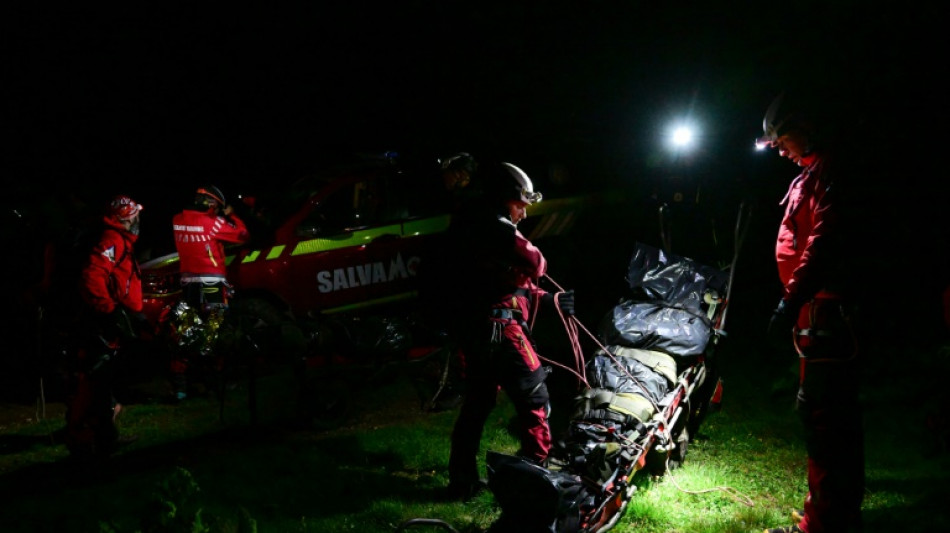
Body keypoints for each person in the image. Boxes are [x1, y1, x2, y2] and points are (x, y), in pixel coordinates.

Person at [757, 90, 864, 533]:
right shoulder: (810, 174)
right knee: (820, 416)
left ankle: (826, 523)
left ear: (807, 127)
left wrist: (791, 301)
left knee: (826, 418)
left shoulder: (833, 174)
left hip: (828, 317)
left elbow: (822, 246)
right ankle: (825, 515)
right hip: (813, 317)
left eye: (783, 138)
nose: (779, 148)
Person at [443, 161, 575, 500]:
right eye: (521, 205)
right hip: (502, 332)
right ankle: (533, 480)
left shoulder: (467, 223)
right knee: (536, 400)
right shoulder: (498, 227)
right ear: (506, 199)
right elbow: (536, 264)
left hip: (475, 330)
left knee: (477, 403)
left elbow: (497, 280)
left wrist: (545, 299)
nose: (524, 214)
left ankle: (462, 480)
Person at [64, 194, 147, 461]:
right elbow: (92, 276)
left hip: (110, 320)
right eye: (135, 216)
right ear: (125, 218)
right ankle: (88, 441)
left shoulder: (118, 239)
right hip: (102, 322)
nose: (138, 220)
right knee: (95, 380)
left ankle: (103, 437)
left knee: (102, 381)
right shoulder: (111, 240)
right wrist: (109, 311)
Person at [169, 185, 249, 401]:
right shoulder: (215, 224)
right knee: (216, 329)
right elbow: (242, 235)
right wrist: (232, 214)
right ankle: (217, 383)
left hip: (188, 285)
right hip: (212, 282)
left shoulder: (177, 220)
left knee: (186, 332)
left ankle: (181, 388)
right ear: (213, 204)